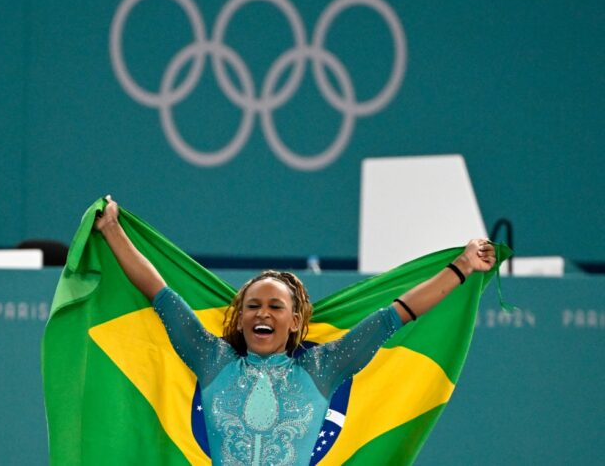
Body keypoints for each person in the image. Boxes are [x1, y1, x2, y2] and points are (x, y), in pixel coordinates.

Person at [94, 196, 496, 465]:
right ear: (239, 318)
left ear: (295, 321)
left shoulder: (322, 368)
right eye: (251, 306)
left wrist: (462, 266)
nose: (261, 314)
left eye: (274, 306)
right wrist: (112, 229)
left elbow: (398, 314)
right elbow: (158, 293)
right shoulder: (212, 360)